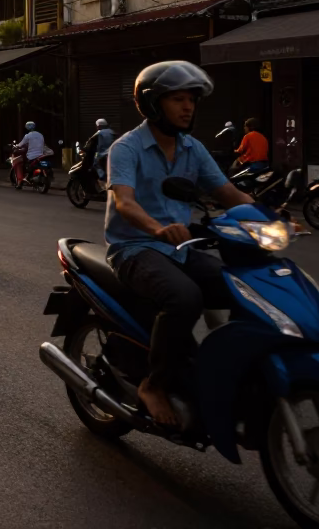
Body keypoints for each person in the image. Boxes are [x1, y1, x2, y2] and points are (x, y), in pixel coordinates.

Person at [106, 61, 253, 427]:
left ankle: (227, 372)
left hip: (181, 249)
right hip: (134, 249)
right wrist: (157, 228)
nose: (188, 107)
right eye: (177, 99)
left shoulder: (193, 148)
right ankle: (154, 384)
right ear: (154, 103)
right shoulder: (126, 148)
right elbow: (124, 201)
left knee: (248, 290)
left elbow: (228, 192)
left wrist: (273, 218)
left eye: (191, 100)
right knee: (185, 298)